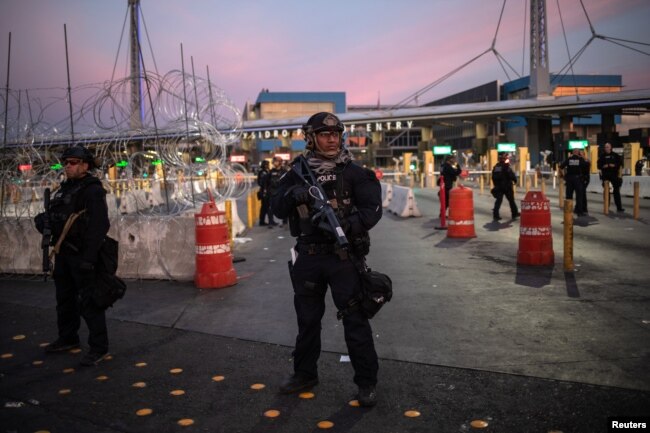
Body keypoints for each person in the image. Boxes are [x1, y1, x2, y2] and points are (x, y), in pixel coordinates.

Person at [271, 112, 382, 407]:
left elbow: (372, 210)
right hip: (308, 257)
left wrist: (347, 224)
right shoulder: (297, 171)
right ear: (311, 138)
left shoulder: (354, 172)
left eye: (336, 134)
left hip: (343, 257)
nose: (332, 139)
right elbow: (277, 206)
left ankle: (366, 382)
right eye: (324, 134)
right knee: (307, 321)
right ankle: (304, 374)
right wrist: (294, 194)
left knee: (355, 320)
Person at [34, 145, 111, 366]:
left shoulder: (92, 190)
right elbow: (57, 216)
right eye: (65, 162)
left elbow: (100, 225)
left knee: (89, 303)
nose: (67, 166)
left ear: (85, 165)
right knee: (65, 299)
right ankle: (68, 338)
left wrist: (88, 258)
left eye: (73, 162)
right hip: (63, 254)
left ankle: (98, 348)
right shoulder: (65, 189)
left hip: (82, 255)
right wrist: (43, 221)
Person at [560, 148, 589, 217]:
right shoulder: (580, 159)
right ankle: (579, 212)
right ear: (578, 152)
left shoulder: (569, 159)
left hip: (569, 179)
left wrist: (564, 176)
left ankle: (568, 211)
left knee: (569, 196)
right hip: (578, 179)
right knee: (579, 196)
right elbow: (587, 165)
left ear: (572, 152)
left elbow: (561, 167)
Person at [490, 153, 519, 220]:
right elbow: (511, 175)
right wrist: (514, 180)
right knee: (511, 200)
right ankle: (514, 213)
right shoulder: (506, 166)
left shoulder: (496, 167)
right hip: (507, 186)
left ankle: (495, 215)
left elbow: (494, 177)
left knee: (499, 201)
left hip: (499, 186)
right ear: (504, 159)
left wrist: (496, 185)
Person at [597, 142, 624, 213]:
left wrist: (614, 165)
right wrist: (603, 166)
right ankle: (606, 207)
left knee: (616, 191)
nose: (606, 148)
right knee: (606, 191)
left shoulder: (615, 155)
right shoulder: (602, 156)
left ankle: (619, 207)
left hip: (614, 175)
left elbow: (620, 164)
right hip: (605, 175)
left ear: (611, 147)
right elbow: (598, 165)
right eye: (605, 147)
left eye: (608, 147)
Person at [256, 160, 276, 226]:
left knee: (267, 207)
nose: (268, 165)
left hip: (267, 191)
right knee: (265, 207)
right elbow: (262, 182)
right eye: (267, 164)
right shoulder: (263, 172)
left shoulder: (266, 171)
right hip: (264, 192)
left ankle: (269, 221)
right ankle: (262, 221)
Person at [268, 156, 285, 227]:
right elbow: (267, 181)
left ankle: (284, 221)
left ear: (280, 162)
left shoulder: (284, 171)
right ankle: (271, 222)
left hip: (281, 192)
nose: (274, 163)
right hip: (273, 192)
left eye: (276, 161)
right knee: (270, 207)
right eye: (274, 161)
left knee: (283, 207)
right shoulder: (271, 171)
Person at [579, 149, 591, 215]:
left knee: (582, 193)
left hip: (585, 178)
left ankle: (584, 208)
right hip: (581, 178)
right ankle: (581, 207)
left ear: (584, 154)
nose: (580, 156)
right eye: (579, 154)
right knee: (581, 193)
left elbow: (587, 167)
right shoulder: (581, 161)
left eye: (581, 154)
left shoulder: (586, 161)